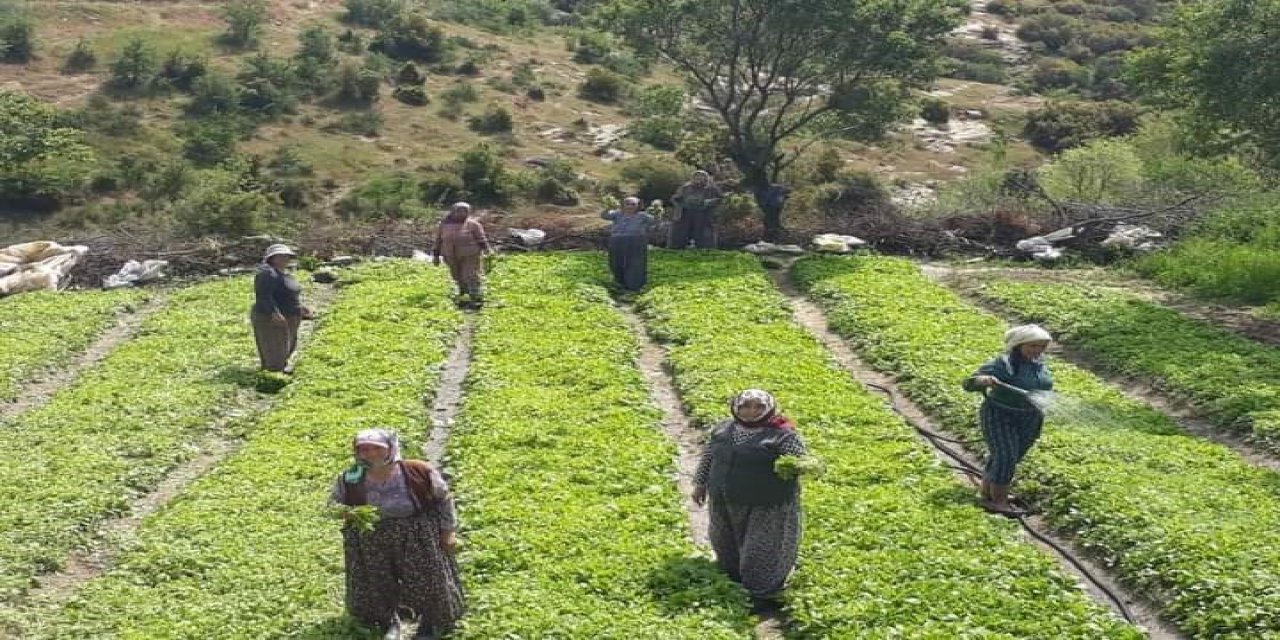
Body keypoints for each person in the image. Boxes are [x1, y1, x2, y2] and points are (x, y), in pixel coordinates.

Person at [330, 429, 465, 640]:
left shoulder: (417, 470)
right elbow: (333, 504)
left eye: (377, 448)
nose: (371, 453)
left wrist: (448, 532)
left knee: (427, 578)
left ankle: (429, 622)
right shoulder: (351, 477)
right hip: (371, 537)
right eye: (364, 449)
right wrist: (347, 513)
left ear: (391, 449)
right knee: (378, 580)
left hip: (416, 533)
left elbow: (444, 499)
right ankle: (389, 622)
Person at [693, 389, 806, 615]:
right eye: (746, 406)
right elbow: (709, 456)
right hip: (725, 499)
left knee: (761, 547)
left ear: (769, 409)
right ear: (736, 408)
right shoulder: (723, 429)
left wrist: (797, 466)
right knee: (724, 541)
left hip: (765, 503)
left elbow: (799, 461)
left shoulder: (782, 435)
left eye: (758, 407)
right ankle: (733, 583)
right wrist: (700, 483)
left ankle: (761, 594)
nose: (751, 411)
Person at [963, 324, 1055, 516]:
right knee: (1005, 456)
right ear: (1018, 345)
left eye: (1041, 346)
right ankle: (999, 501)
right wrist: (982, 381)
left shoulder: (1039, 365)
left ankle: (988, 491)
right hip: (1001, 415)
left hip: (1029, 417)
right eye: (1032, 346)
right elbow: (969, 382)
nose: (1037, 351)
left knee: (1010, 457)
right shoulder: (1003, 364)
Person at [251, 244, 312, 373]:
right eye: (280, 256)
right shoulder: (267, 273)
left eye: (287, 256)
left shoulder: (285, 275)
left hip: (290, 316)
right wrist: (273, 312)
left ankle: (281, 368)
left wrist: (300, 307)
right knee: (274, 345)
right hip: (272, 318)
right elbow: (263, 295)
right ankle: (273, 373)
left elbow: (286, 295)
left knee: (287, 345)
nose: (285, 259)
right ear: (272, 258)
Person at [433, 202, 493, 308]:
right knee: (457, 275)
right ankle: (463, 295)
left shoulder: (473, 224)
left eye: (465, 211)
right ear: (453, 212)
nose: (462, 214)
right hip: (450, 254)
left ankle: (475, 296)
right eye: (459, 211)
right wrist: (436, 256)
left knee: (470, 275)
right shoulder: (444, 225)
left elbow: (481, 239)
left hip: (470, 254)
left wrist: (487, 250)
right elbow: (438, 241)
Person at [601, 196, 656, 292]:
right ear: (623, 205)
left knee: (636, 263)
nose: (630, 206)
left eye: (633, 204)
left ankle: (635, 285)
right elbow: (604, 216)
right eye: (627, 204)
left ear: (638, 206)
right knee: (616, 261)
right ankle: (619, 282)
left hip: (636, 241)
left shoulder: (643, 216)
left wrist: (656, 212)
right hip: (617, 240)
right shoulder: (617, 214)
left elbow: (654, 221)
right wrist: (608, 207)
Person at [668, 170, 723, 249]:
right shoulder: (686, 187)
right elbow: (675, 198)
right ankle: (678, 246)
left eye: (702, 177)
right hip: (686, 212)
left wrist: (708, 202)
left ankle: (705, 247)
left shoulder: (712, 188)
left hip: (703, 213)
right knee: (681, 232)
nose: (699, 178)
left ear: (706, 178)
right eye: (697, 176)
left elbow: (720, 199)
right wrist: (680, 203)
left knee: (704, 233)